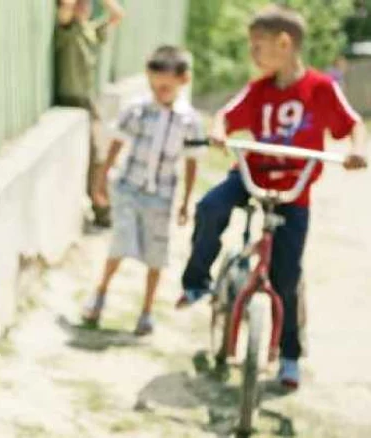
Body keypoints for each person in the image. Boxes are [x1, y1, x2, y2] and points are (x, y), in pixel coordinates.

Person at [178, 4, 368, 389]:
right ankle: (197, 279)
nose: (253, 55)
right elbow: (226, 116)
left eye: (258, 46)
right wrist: (218, 131)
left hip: (293, 191)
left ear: (285, 44)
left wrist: (357, 150)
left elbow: (352, 126)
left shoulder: (320, 88)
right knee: (210, 206)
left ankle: (289, 356)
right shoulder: (259, 90)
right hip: (252, 175)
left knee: (286, 274)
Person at [81, 46, 207, 335]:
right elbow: (116, 145)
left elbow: (191, 163)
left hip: (161, 196)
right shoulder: (136, 111)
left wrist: (186, 202)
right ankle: (99, 296)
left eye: (164, 86)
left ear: (183, 80)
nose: (158, 90)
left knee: (156, 254)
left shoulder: (190, 122)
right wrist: (101, 181)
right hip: (128, 188)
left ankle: (147, 312)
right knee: (120, 244)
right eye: (154, 84)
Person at [55, 0, 124, 228]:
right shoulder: (68, 27)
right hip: (71, 100)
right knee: (98, 155)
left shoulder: (89, 30)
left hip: (88, 102)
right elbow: (65, 8)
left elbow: (117, 15)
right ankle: (100, 205)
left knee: (101, 156)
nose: (84, 6)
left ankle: (101, 205)